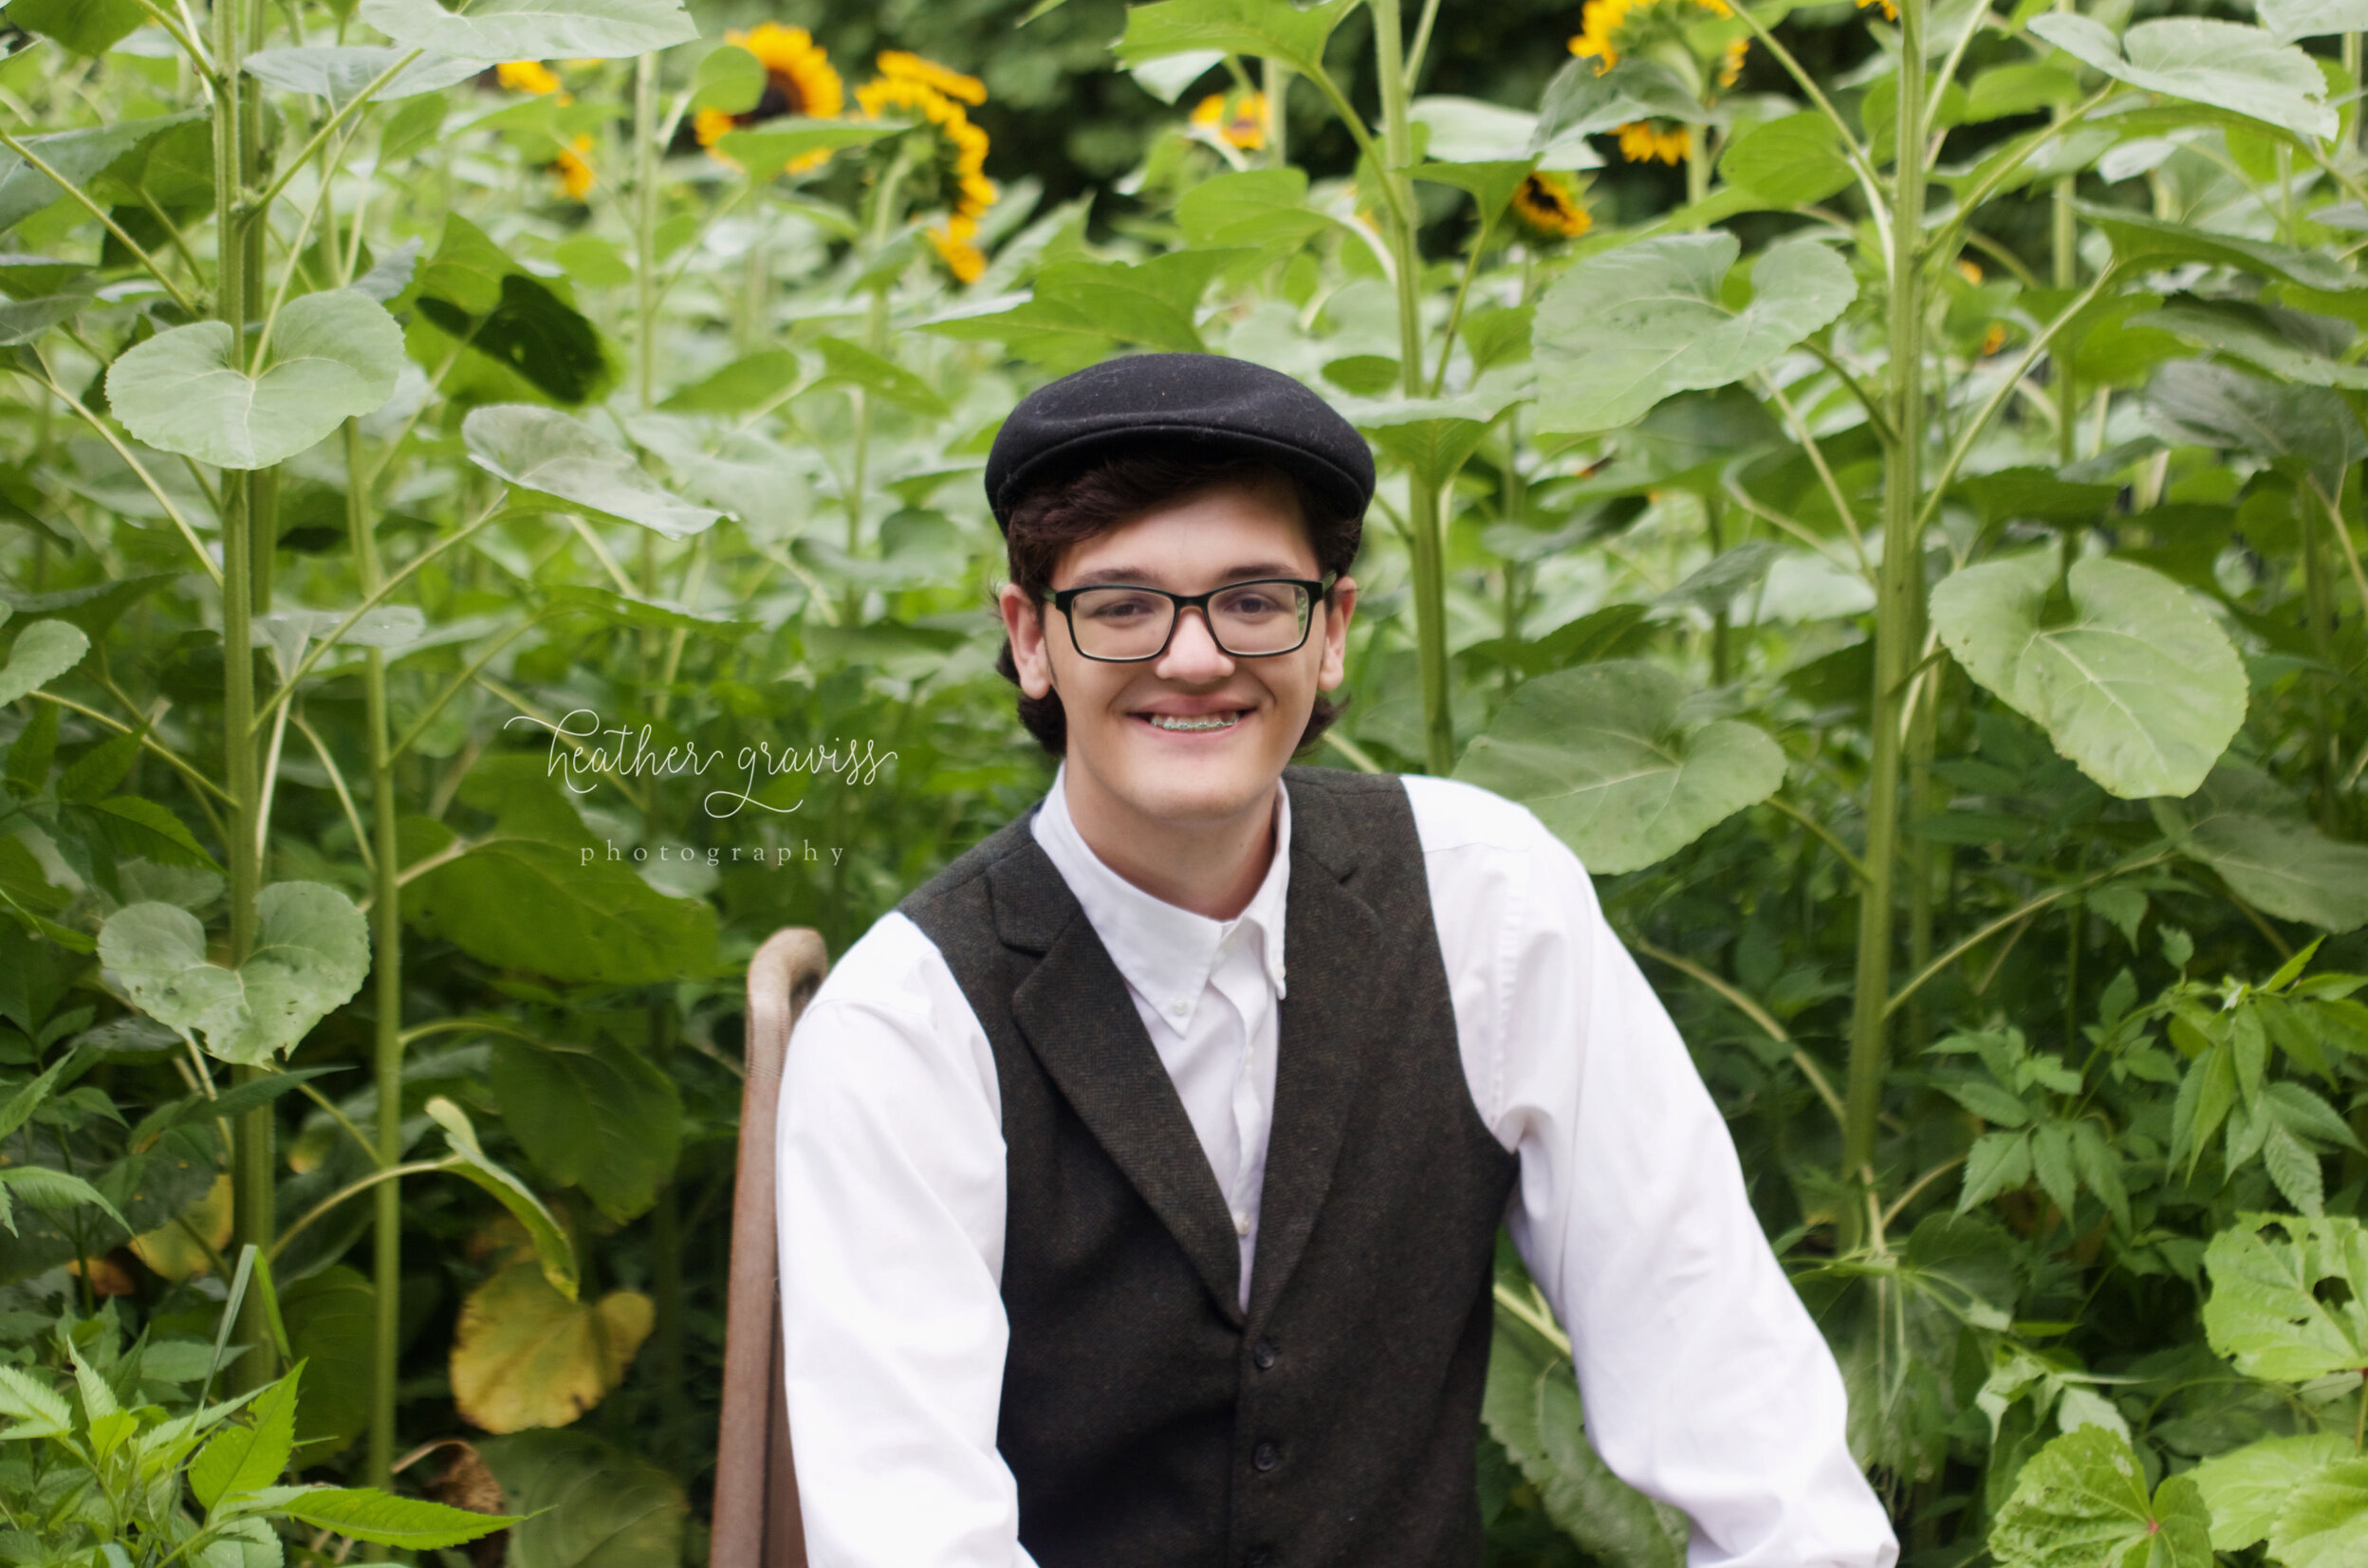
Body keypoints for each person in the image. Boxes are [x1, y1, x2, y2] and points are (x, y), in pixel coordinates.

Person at [776, 353, 1897, 1568]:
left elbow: (1735, 1399)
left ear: (1333, 633)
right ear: (1030, 639)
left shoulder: (1486, 902)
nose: (1194, 657)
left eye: (1256, 599)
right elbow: (912, 1542)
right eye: (1121, 605)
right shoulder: (908, 1025)